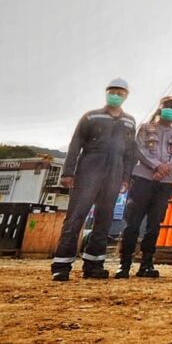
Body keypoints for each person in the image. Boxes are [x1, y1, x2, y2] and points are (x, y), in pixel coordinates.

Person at [51, 79, 137, 281]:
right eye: (112, 91)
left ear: (126, 96)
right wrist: (68, 172)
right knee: (75, 218)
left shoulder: (129, 121)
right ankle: (62, 265)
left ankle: (94, 264)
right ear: (106, 93)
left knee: (104, 219)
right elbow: (76, 144)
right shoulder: (91, 116)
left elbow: (130, 153)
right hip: (89, 170)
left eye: (120, 92)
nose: (116, 95)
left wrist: (126, 177)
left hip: (114, 173)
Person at [116, 96, 172, 279]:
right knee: (132, 223)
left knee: (154, 225)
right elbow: (139, 149)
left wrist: (164, 170)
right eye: (166, 108)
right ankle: (125, 264)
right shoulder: (145, 128)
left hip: (164, 183)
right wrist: (156, 166)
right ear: (160, 109)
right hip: (142, 179)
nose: (169, 111)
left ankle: (147, 263)